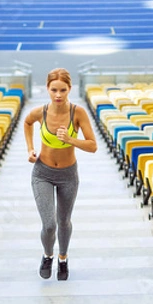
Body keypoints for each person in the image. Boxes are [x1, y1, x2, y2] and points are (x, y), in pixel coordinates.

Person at [24, 68, 97, 280]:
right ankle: (48, 255)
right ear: (47, 88)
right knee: (49, 224)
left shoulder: (78, 113)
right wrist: (30, 148)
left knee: (64, 221)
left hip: (68, 175)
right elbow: (27, 122)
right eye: (54, 90)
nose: (58, 95)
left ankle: (63, 259)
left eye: (62, 90)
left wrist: (71, 140)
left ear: (69, 89)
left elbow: (92, 146)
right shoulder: (40, 112)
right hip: (42, 173)